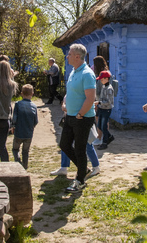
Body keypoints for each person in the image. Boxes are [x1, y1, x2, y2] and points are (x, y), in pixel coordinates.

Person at [59, 44, 96, 193]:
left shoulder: (87, 73)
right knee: (64, 145)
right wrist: (65, 104)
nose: (67, 56)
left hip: (82, 117)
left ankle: (80, 180)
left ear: (77, 56)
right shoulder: (74, 71)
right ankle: (83, 169)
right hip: (70, 116)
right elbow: (71, 93)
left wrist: (80, 114)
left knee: (80, 149)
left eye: (69, 54)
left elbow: (91, 98)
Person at [11, 84, 38, 169]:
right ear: (32, 94)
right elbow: (36, 121)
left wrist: (13, 126)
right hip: (29, 133)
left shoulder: (18, 104)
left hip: (19, 131)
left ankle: (18, 161)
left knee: (15, 149)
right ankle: (25, 166)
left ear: (21, 93)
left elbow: (14, 117)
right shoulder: (34, 106)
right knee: (25, 151)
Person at [95, 70, 115, 150]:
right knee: (99, 125)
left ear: (107, 79)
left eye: (102, 79)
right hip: (101, 108)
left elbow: (108, 102)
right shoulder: (104, 87)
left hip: (106, 109)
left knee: (103, 126)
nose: (101, 80)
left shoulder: (109, 89)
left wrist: (99, 102)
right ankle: (109, 136)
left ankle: (105, 142)